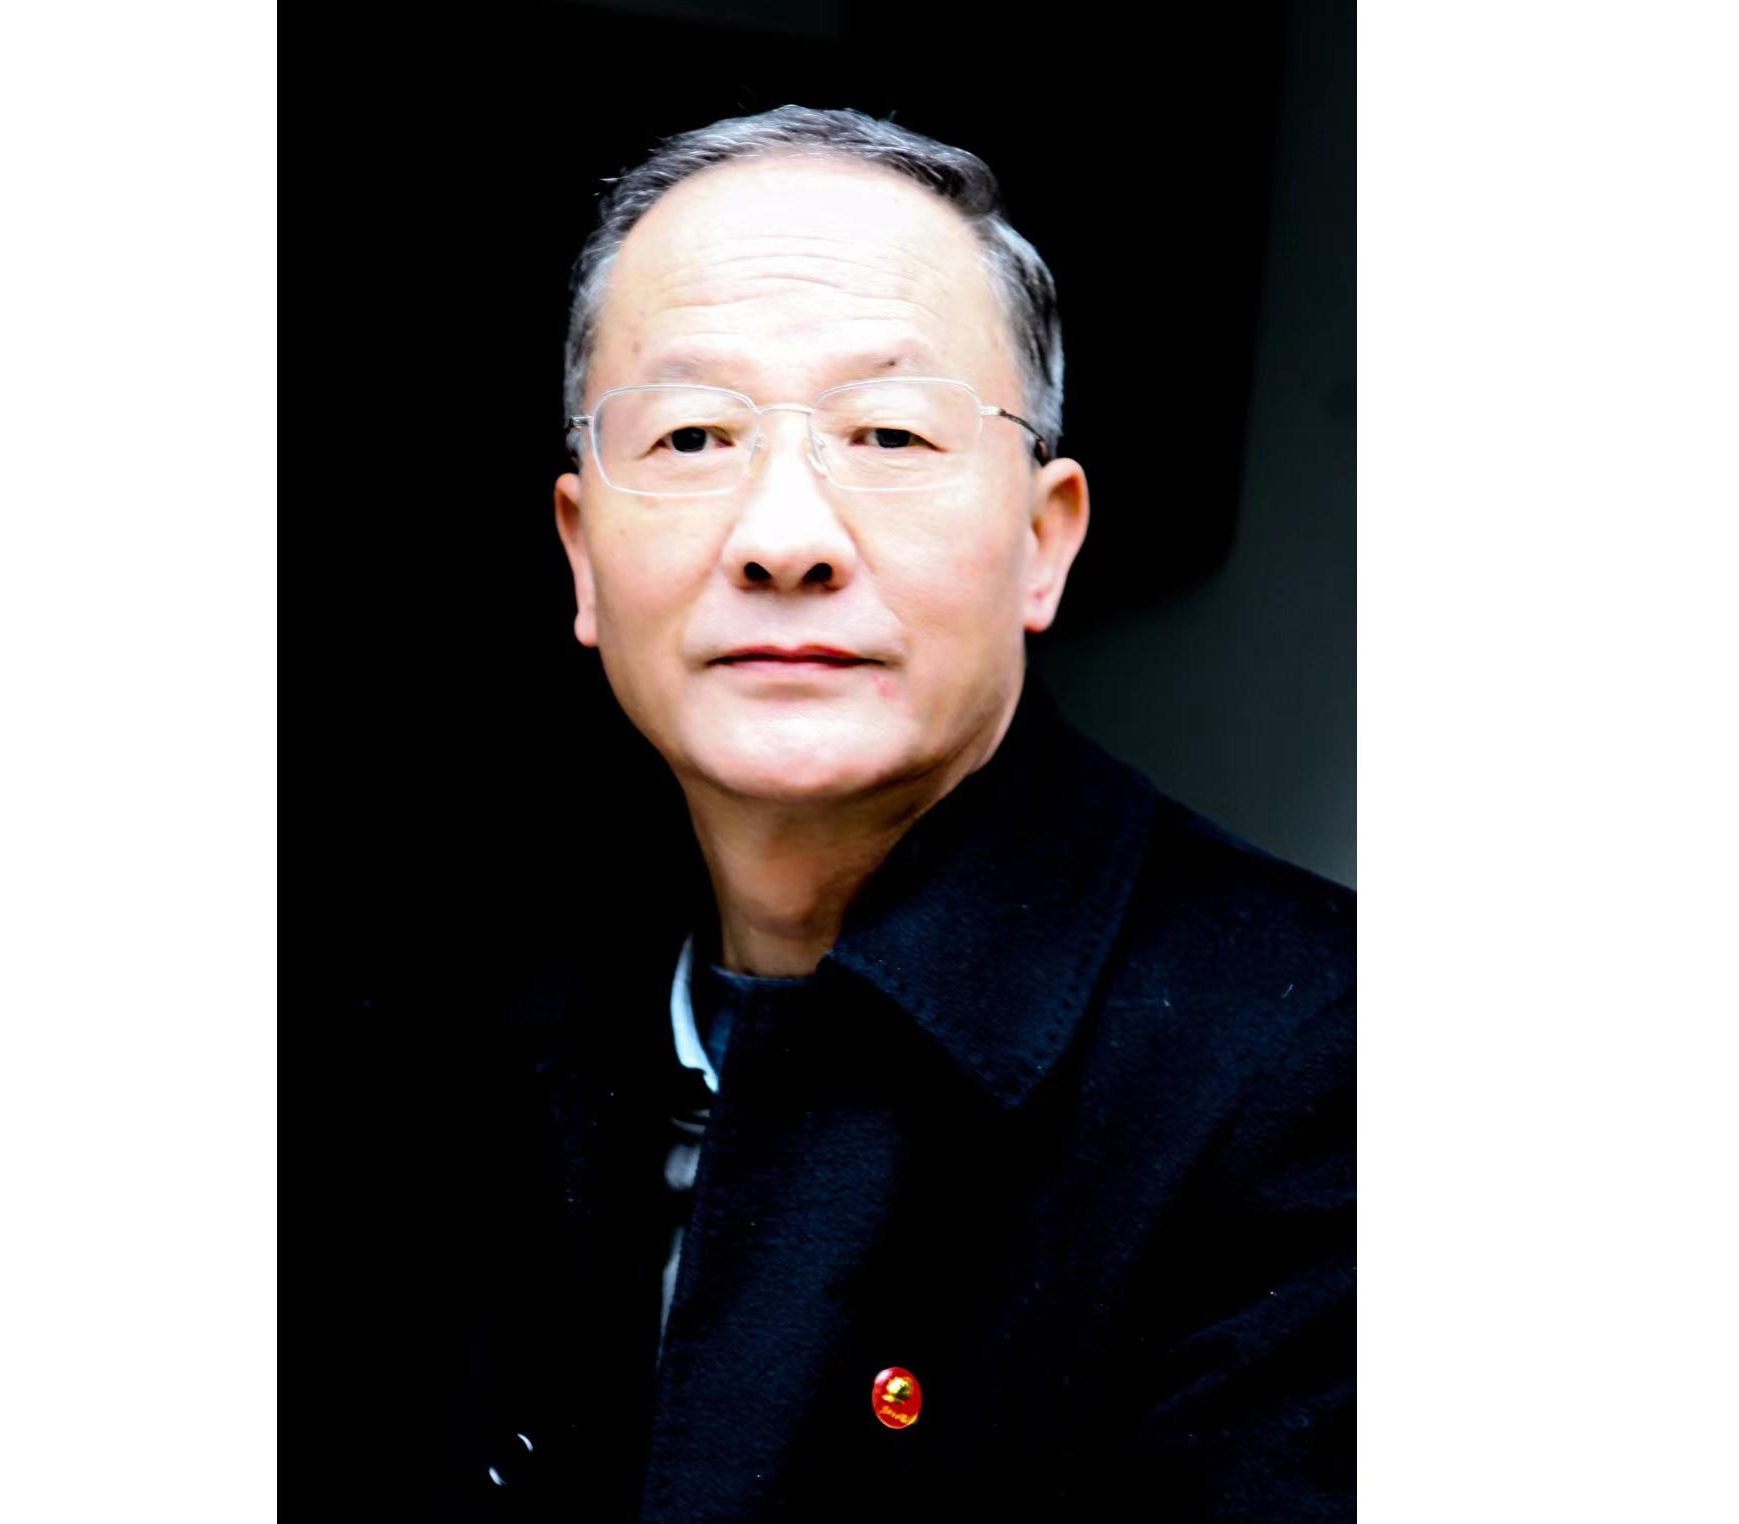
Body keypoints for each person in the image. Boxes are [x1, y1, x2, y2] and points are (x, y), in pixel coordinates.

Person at [454, 105, 1354, 1520]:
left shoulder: (1325, 1067)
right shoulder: (447, 1028)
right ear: (580, 553)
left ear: (1044, 541)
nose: (784, 539)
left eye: (888, 432)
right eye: (692, 435)